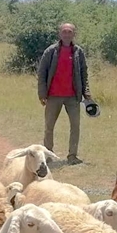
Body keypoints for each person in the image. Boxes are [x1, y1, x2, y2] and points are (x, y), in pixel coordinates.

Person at [37, 22, 91, 165]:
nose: (67, 34)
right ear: (59, 33)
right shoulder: (51, 51)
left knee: (75, 126)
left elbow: (84, 74)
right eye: (64, 31)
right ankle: (48, 155)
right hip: (53, 96)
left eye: (70, 32)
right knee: (49, 126)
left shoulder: (78, 52)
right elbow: (42, 73)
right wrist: (42, 94)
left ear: (74, 34)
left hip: (73, 97)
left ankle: (72, 156)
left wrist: (87, 94)